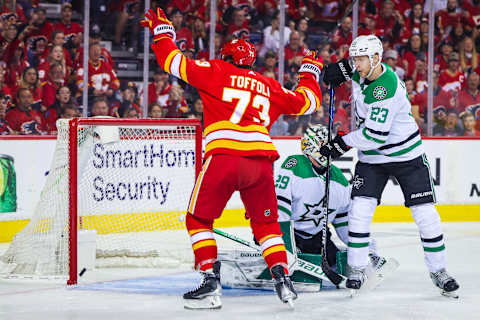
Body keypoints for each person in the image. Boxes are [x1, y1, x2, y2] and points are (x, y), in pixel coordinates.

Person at [141, 8, 324, 309]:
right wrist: (310, 72)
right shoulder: (269, 85)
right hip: (261, 162)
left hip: (225, 156)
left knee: (198, 219)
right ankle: (283, 278)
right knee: (267, 226)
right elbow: (308, 102)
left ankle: (210, 282)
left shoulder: (216, 70)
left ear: (227, 57)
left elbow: (172, 61)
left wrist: (163, 30)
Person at [320, 35, 459, 297]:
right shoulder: (367, 69)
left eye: (360, 59)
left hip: (406, 155)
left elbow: (373, 137)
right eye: (354, 59)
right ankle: (358, 268)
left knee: (426, 216)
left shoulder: (385, 88)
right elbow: (355, 71)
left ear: (375, 58)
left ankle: (439, 271)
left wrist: (340, 144)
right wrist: (341, 68)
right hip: (373, 160)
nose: (356, 64)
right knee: (359, 211)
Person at [276, 124, 388, 270]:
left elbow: (344, 224)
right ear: (310, 145)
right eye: (324, 144)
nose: (330, 149)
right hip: (287, 235)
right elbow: (279, 212)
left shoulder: (339, 179)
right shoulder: (295, 166)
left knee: (338, 264)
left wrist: (366, 249)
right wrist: (285, 248)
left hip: (317, 239)